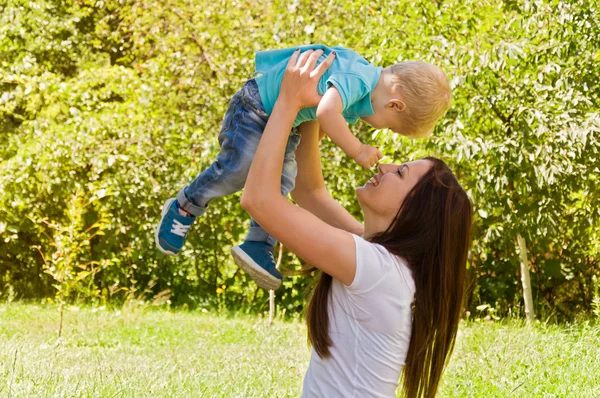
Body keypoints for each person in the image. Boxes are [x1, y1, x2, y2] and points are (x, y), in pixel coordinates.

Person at [241, 50, 472, 397]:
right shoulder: (379, 259)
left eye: (401, 172)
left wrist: (288, 100)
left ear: (414, 212)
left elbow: (259, 200)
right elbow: (309, 192)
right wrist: (319, 98)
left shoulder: (377, 270)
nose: (385, 166)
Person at [155, 44, 451, 290]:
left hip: (285, 121)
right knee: (236, 169)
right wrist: (357, 149)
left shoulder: (357, 89)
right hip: (256, 108)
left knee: (281, 182)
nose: (382, 129)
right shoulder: (359, 80)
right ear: (395, 105)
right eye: (392, 128)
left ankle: (258, 243)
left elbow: (319, 121)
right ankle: (185, 205)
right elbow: (325, 111)